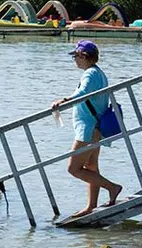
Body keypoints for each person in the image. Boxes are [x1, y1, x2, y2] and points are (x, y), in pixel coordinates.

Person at [50, 40, 122, 218]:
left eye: (75, 56)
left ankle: (113, 188)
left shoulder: (90, 74)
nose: (74, 60)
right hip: (95, 127)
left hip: (87, 129)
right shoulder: (98, 72)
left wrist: (63, 101)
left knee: (73, 168)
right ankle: (91, 206)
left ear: (83, 56)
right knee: (91, 167)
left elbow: (83, 94)